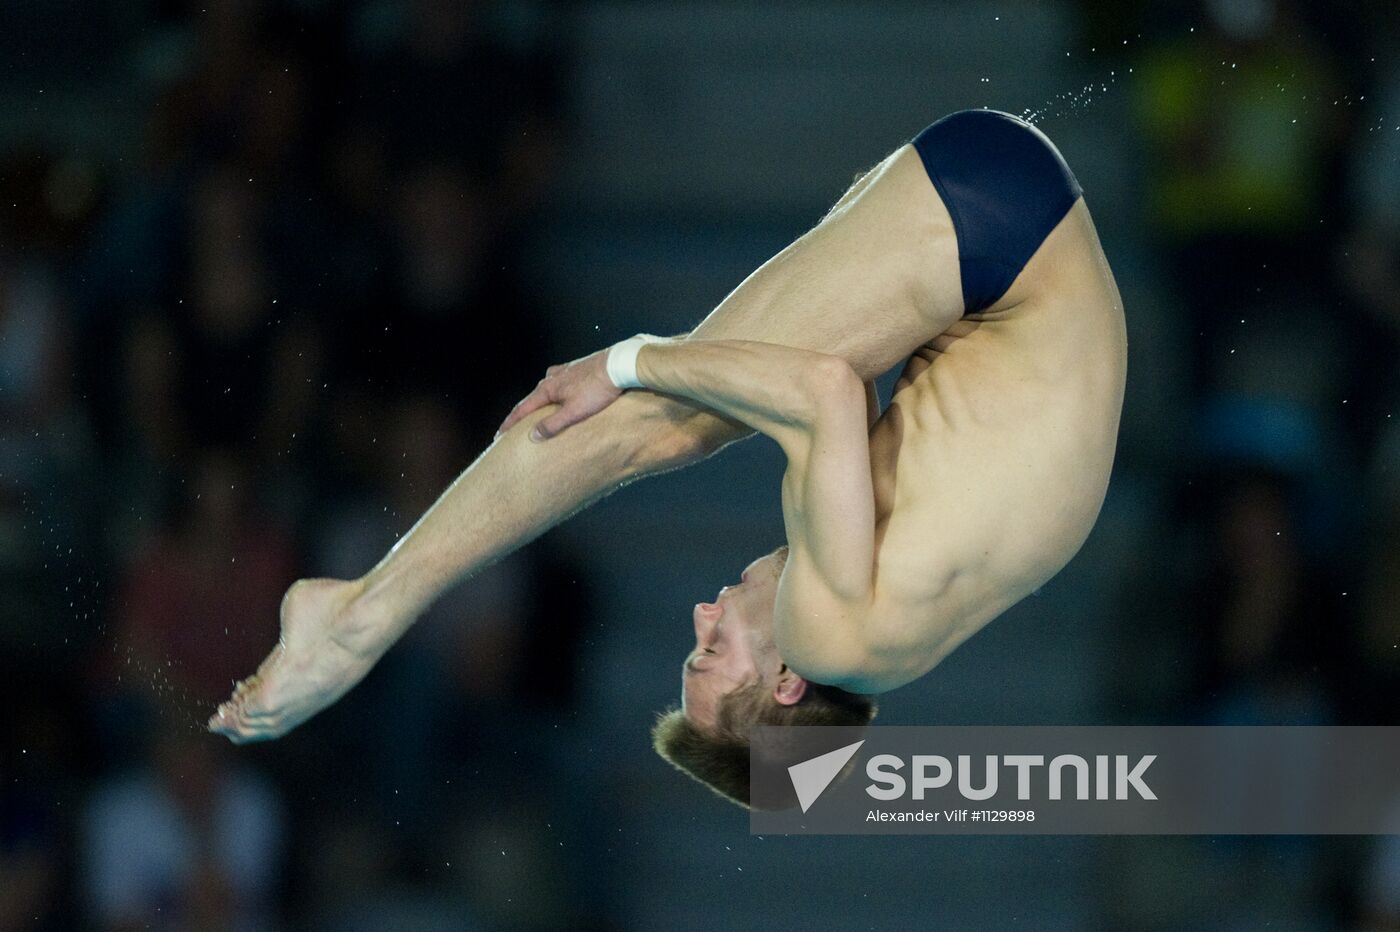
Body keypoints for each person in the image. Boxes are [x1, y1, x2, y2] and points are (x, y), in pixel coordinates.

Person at [209, 109, 1127, 808]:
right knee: (661, 423)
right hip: (1000, 234)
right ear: (784, 681)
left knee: (717, 394)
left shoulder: (892, 639)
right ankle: (361, 618)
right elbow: (825, 393)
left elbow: (886, 395)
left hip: (1013, 228)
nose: (702, 615)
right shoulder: (832, 632)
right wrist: (626, 361)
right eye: (709, 652)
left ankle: (365, 610)